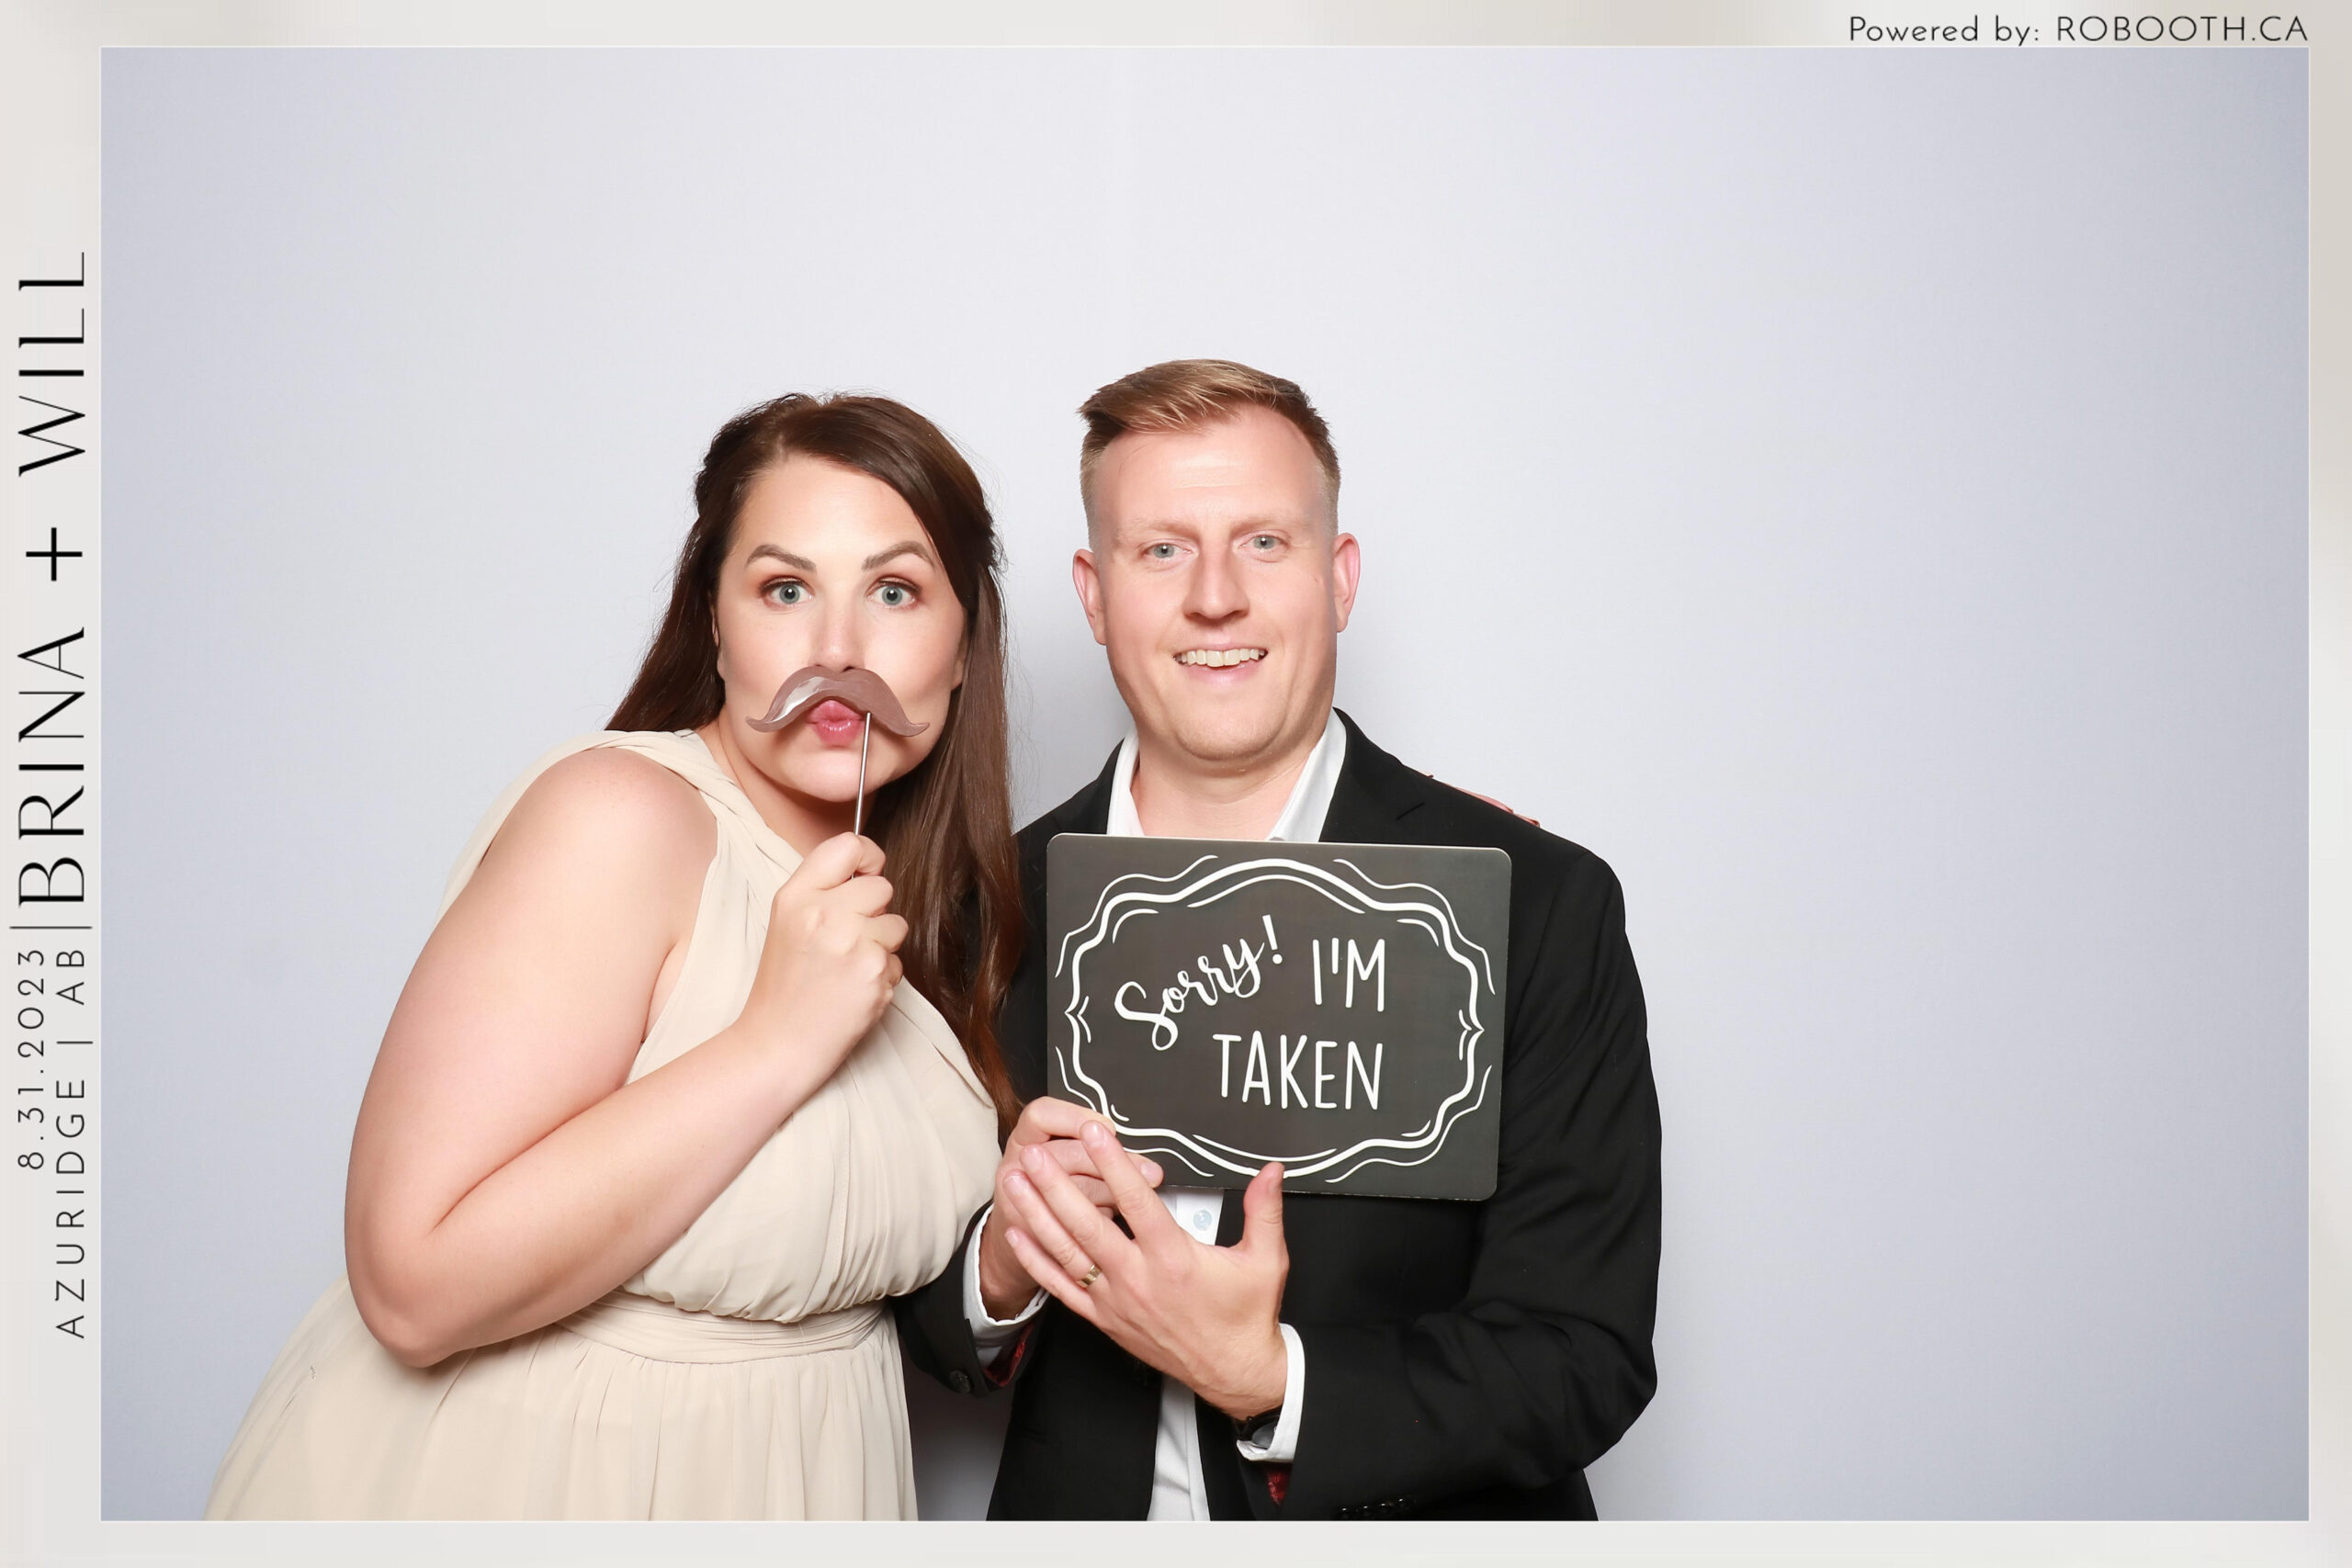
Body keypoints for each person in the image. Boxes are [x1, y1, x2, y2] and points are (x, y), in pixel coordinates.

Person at [207, 393, 1029, 1519]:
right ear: (717, 622)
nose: (838, 648)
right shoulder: (621, 816)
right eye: (784, 589)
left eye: (894, 592)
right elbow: (411, 1284)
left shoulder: (916, 914)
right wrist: (775, 1041)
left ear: (964, 647)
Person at [897, 359, 1662, 1519]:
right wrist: (1001, 1265)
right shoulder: (981, 906)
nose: (1215, 596)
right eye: (1162, 550)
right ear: (1095, 596)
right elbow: (911, 1310)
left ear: (1338, 578)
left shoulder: (1532, 906)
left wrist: (1269, 1379)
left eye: (1264, 543)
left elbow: (1582, 1357)